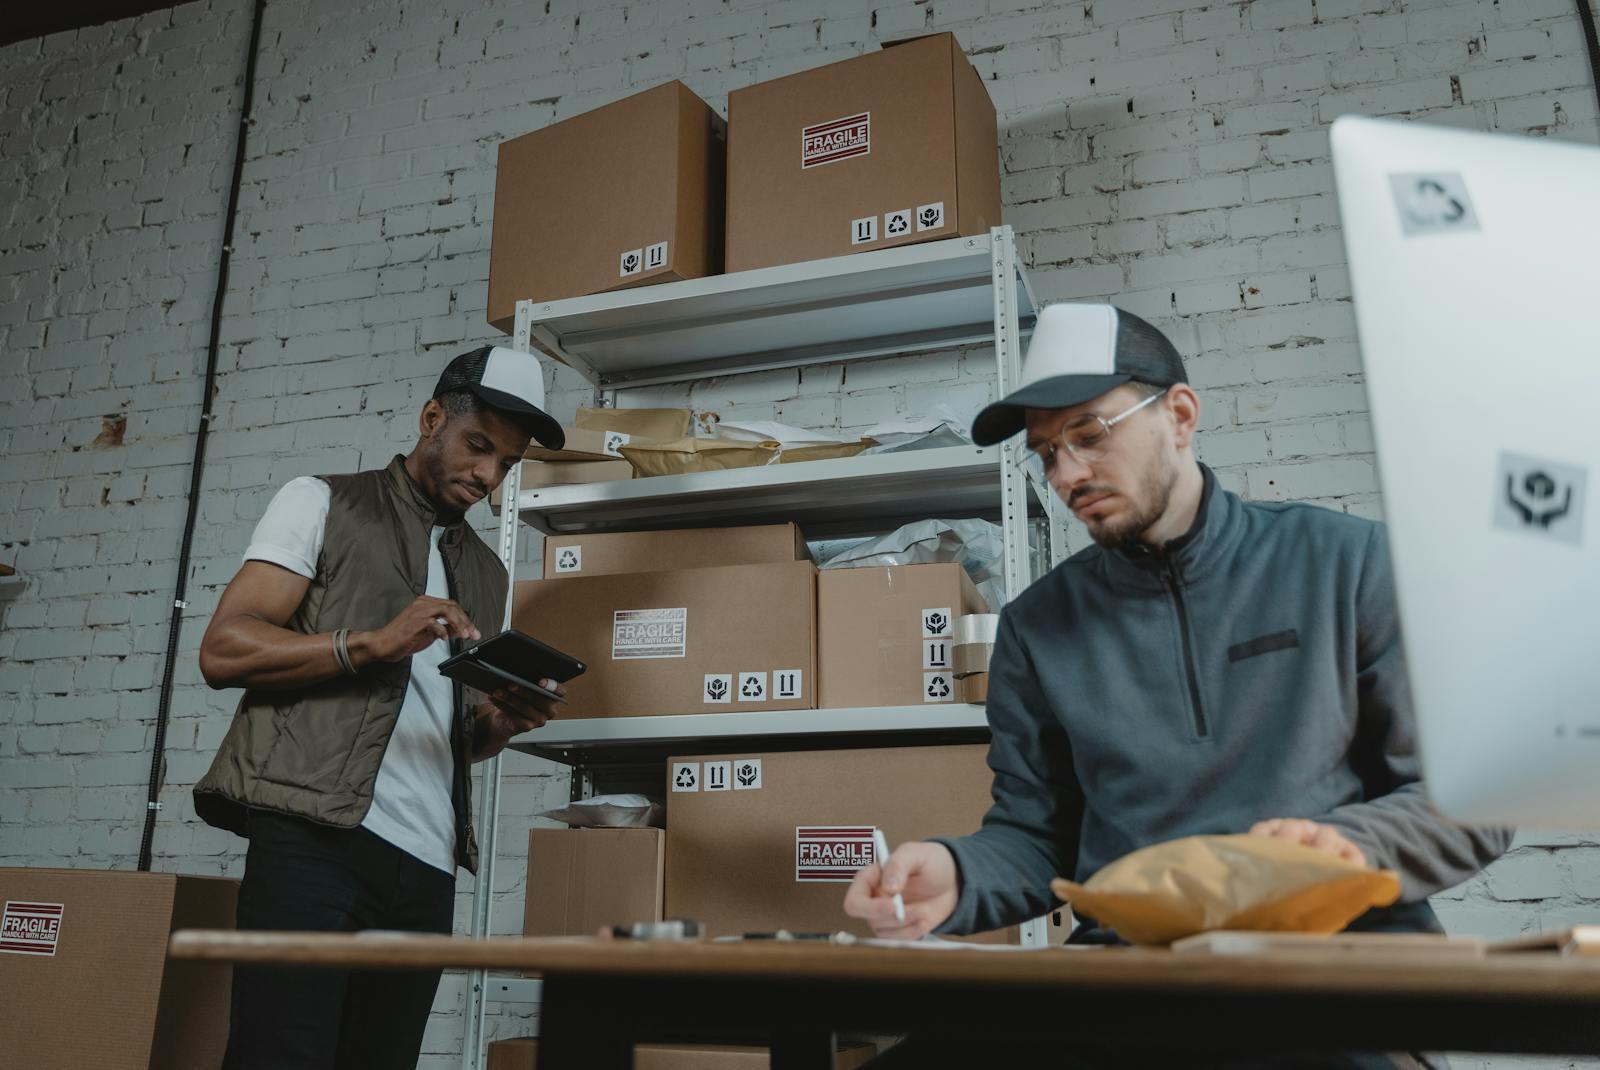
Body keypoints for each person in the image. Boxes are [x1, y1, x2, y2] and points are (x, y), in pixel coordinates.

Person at [844, 303, 1510, 1067]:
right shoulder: (1037, 628)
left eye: (1090, 436)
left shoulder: (1349, 565)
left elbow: (1472, 802)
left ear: (1181, 415)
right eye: (1047, 453)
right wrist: (957, 874)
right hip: (1126, 979)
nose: (1067, 475)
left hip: (1331, 971)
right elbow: (1039, 838)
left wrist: (1346, 845)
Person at [194, 345, 566, 1070]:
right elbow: (224, 649)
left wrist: (499, 724)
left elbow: (447, 730)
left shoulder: (484, 574)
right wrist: (368, 643)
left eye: (507, 464)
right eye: (478, 446)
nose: (488, 475)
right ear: (433, 418)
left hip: (426, 868)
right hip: (314, 843)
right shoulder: (322, 501)